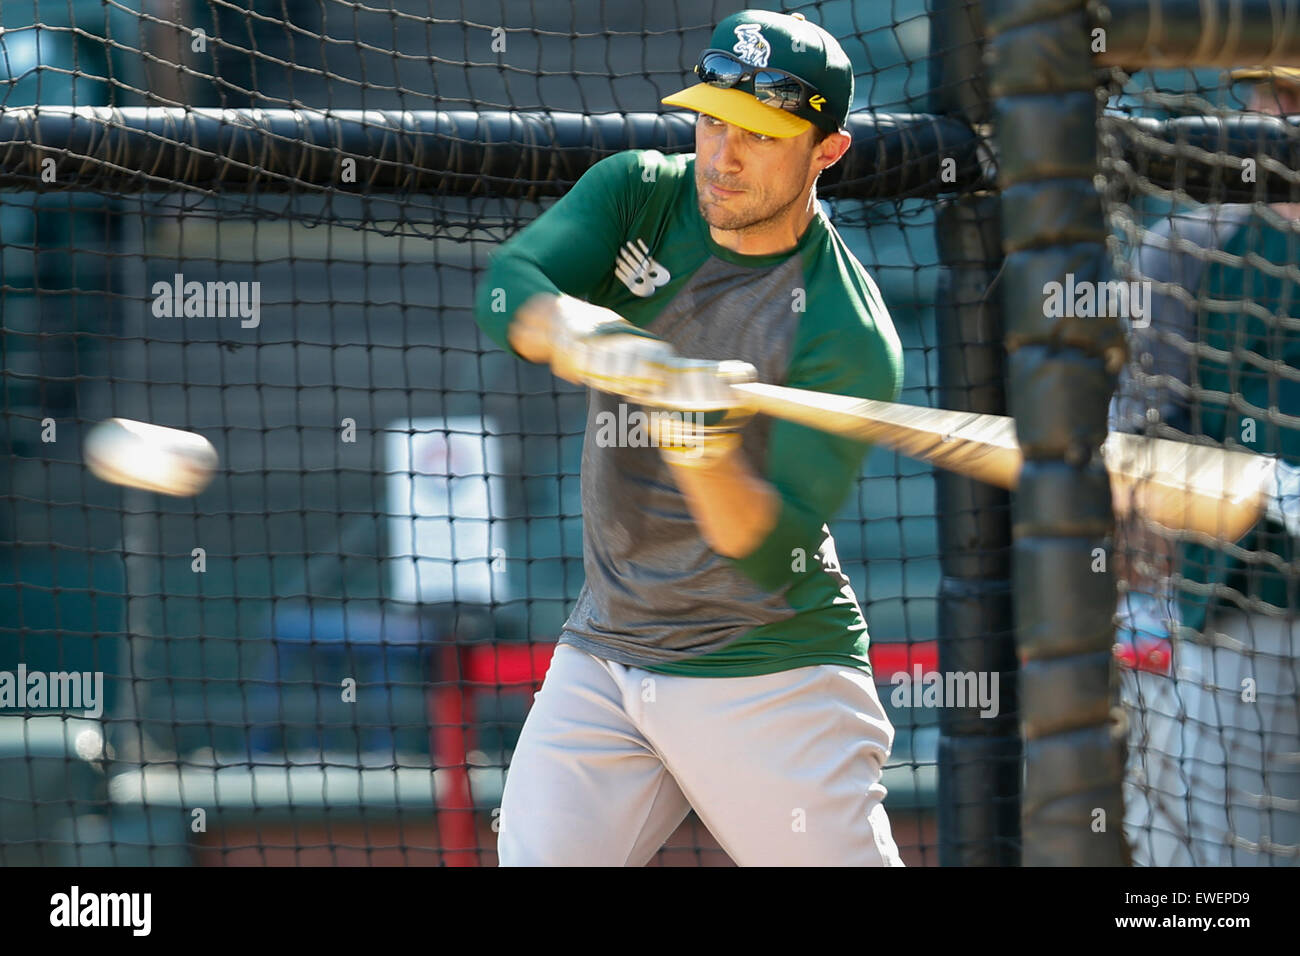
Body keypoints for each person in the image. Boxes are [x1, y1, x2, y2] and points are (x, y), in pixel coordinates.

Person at [473, 9, 905, 866]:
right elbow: (504, 289)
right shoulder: (640, 189)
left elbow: (761, 544)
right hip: (607, 646)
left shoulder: (848, 336)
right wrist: (589, 336)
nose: (724, 155)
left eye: (761, 134)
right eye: (713, 119)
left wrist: (699, 445)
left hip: (767, 666)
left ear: (827, 152)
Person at [1115, 66, 1300, 866]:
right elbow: (1134, 458)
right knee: (1216, 875)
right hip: (1242, 621)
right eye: (1270, 97)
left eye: (1293, 99)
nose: (1275, 115)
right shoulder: (1189, 250)